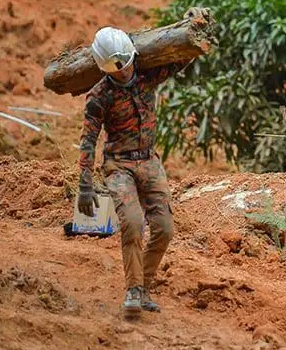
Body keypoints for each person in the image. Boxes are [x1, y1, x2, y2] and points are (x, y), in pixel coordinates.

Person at [77, 24, 196, 320]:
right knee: (131, 223)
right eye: (117, 70)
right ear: (105, 69)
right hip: (119, 166)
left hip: (150, 162)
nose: (125, 71)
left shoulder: (146, 74)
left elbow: (181, 58)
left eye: (127, 65)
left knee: (165, 229)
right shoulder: (98, 96)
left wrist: (195, 29)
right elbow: (88, 141)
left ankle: (143, 286)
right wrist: (84, 186)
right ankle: (133, 290)